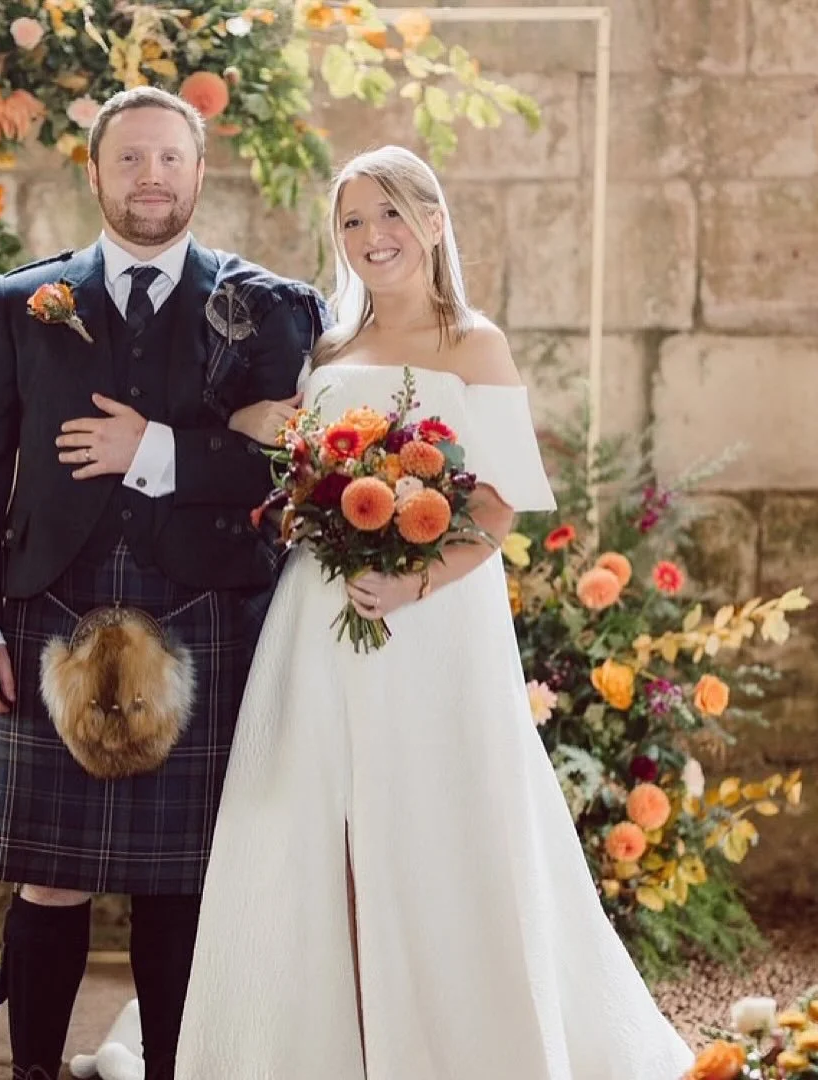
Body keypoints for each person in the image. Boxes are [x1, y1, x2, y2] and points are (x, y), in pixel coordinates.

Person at [172, 146, 695, 1079]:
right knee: (307, 813)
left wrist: (412, 584)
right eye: (353, 222)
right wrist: (269, 443)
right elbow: (293, 441)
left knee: (432, 820)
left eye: (390, 217)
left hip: (433, 622)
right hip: (320, 613)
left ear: (434, 222)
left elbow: (497, 507)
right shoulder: (327, 344)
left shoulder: (475, 342)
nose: (373, 238)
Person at [0, 86, 325, 1080]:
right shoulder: (28, 302)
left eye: (170, 159)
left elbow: (294, 467)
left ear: (199, 172)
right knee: (48, 879)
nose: (151, 176)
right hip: (50, 612)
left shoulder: (265, 306)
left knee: (182, 884)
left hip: (208, 609)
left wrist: (155, 450)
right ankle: (30, 1071)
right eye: (130, 159)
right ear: (97, 173)